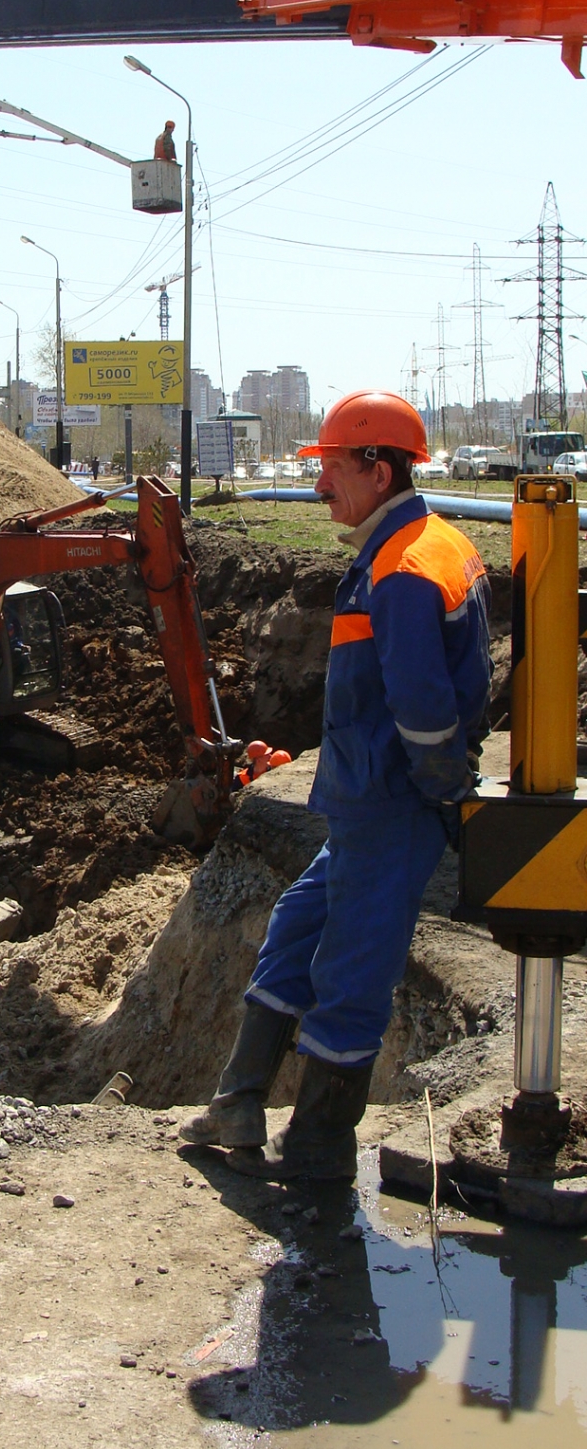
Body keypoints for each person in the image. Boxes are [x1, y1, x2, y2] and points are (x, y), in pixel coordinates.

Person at [181, 389, 492, 1181]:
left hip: (392, 804)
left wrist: (444, 790)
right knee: (295, 926)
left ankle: (317, 1147)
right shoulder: (420, 546)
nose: (320, 487)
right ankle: (240, 1100)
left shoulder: (406, 571)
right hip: (364, 800)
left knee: (354, 968)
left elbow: (425, 709)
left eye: (332, 469)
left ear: (378, 468)